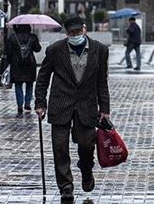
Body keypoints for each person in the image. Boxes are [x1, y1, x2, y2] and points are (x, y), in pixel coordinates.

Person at [35, 16, 110, 204]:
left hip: (87, 105)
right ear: (66, 33)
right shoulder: (55, 51)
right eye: (71, 33)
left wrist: (105, 108)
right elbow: (43, 77)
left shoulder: (100, 50)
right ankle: (65, 186)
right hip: (61, 104)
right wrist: (40, 102)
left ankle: (86, 169)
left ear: (84, 29)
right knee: (60, 147)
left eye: (78, 32)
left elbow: (102, 81)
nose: (75, 35)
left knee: (86, 144)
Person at [4, 24, 42, 116]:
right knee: (29, 84)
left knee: (18, 84)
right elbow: (38, 49)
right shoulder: (32, 37)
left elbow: (8, 51)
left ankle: (20, 105)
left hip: (17, 64)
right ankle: (27, 103)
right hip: (30, 64)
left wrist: (11, 61)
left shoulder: (13, 38)